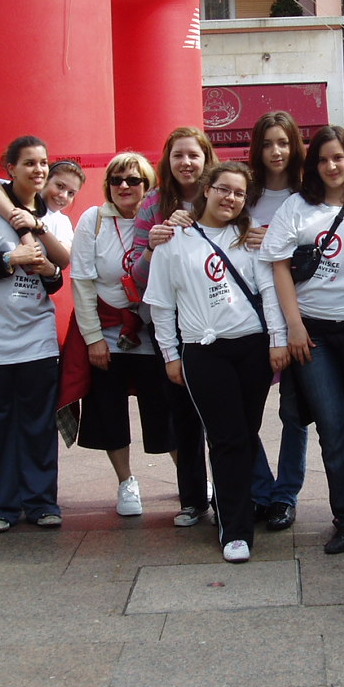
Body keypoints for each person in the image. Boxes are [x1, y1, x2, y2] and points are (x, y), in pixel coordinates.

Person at [146, 162, 288, 563]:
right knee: (226, 438)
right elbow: (161, 303)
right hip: (204, 351)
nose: (230, 198)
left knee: (244, 434)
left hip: (253, 350)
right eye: (223, 189)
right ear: (206, 189)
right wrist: (170, 354)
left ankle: (240, 505)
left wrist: (277, 341)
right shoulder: (174, 238)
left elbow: (269, 292)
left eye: (239, 193)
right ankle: (236, 530)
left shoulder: (250, 236)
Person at [260, 126, 344, 554]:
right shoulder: (297, 207)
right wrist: (293, 326)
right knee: (333, 427)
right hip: (314, 335)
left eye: (339, 158)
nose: (332, 166)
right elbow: (277, 265)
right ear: (313, 165)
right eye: (323, 159)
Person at [0, 135, 68, 531]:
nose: (38, 170)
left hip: (37, 339)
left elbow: (57, 278)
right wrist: (9, 258)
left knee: (39, 426)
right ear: (11, 168)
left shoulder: (53, 218)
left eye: (43, 163)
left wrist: (48, 271)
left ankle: (41, 502)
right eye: (29, 163)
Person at [70, 152, 174, 517]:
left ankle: (189, 477)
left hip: (152, 331)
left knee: (165, 409)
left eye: (133, 180)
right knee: (109, 411)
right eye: (116, 180)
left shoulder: (160, 218)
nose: (124, 186)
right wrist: (93, 338)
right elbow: (82, 282)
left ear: (149, 185)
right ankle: (126, 481)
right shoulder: (94, 219)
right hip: (109, 331)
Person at [132, 127, 218, 527]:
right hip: (171, 324)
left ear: (206, 159)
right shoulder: (152, 204)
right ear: (167, 161)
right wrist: (152, 246)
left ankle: (233, 492)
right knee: (182, 413)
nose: (186, 163)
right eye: (178, 155)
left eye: (193, 155)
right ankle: (193, 499)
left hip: (218, 318)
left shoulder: (220, 194)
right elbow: (136, 276)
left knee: (223, 412)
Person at [244, 111, 309, 532]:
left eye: (283, 142)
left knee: (294, 413)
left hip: (301, 313)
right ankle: (258, 489)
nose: (276, 152)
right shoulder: (245, 193)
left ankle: (285, 495)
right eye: (267, 144)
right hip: (249, 316)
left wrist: (275, 240)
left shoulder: (309, 193)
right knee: (244, 412)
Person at [0, 159, 83, 268]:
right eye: (60, 186)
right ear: (45, 180)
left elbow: (64, 260)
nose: (63, 195)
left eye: (71, 193)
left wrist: (37, 226)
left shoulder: (62, 221)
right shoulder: (12, 195)